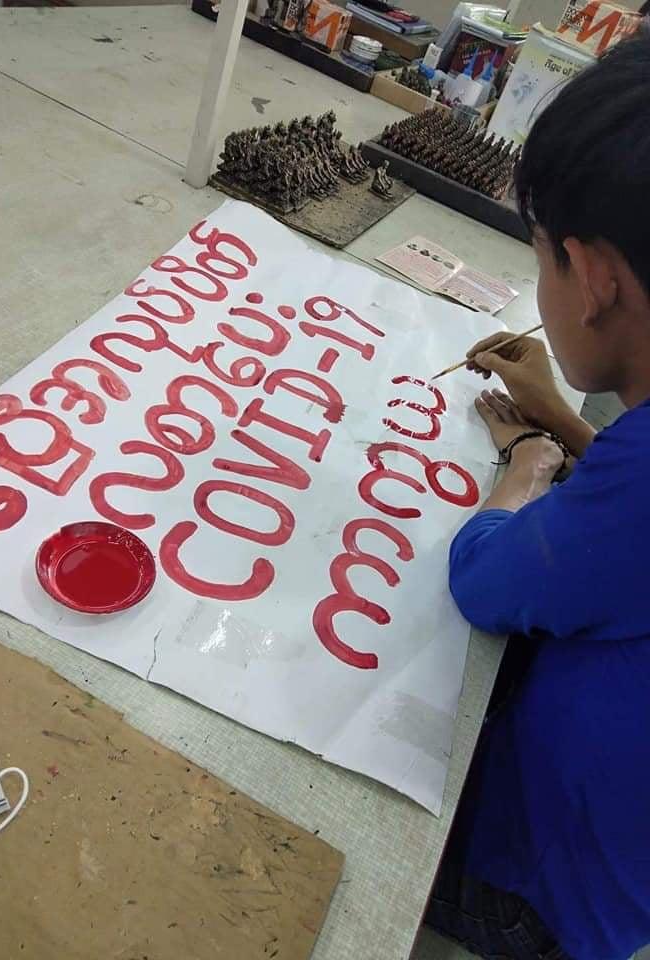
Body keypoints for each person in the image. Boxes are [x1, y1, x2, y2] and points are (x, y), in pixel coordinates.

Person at [425, 30, 650, 960]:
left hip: (539, 892)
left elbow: (484, 579)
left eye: (542, 260)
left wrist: (524, 468)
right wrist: (565, 416)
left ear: (592, 276)